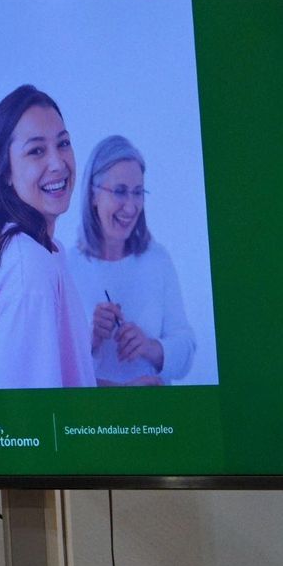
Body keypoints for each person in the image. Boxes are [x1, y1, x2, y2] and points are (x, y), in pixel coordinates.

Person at [0, 85, 95, 389]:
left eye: (63, 143)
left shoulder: (41, 253)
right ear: (5, 172)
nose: (57, 162)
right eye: (36, 150)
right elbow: (30, 423)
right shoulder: (29, 270)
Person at [69, 135, 195, 386]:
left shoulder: (157, 260)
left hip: (154, 419)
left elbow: (186, 352)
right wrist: (91, 339)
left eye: (138, 193)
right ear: (93, 196)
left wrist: (150, 347)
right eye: (120, 192)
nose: (131, 206)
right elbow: (57, 368)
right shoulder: (68, 267)